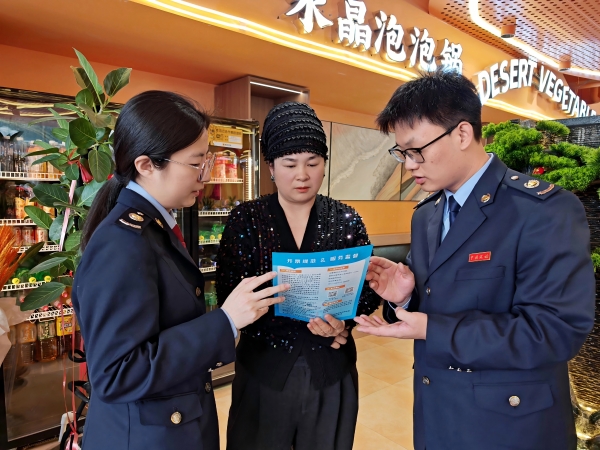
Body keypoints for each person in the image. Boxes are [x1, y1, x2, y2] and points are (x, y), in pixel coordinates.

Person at [354, 70, 595, 450]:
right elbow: (437, 300)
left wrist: (434, 329)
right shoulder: (427, 215)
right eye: (402, 153)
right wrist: (406, 297)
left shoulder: (542, 211)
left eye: (416, 150)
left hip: (509, 426)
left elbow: (555, 331)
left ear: (463, 134)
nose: (409, 164)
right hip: (437, 414)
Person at [72, 91, 289, 450]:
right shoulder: (123, 243)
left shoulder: (156, 227)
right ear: (146, 165)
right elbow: (116, 372)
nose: (205, 175)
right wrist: (225, 321)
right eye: (195, 163)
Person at [216, 101, 381, 450]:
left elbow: (366, 292)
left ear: (324, 164)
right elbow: (228, 293)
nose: (302, 175)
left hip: (330, 368)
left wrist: (343, 324)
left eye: (313, 163)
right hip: (264, 372)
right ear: (271, 167)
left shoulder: (346, 219)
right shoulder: (246, 220)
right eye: (290, 164)